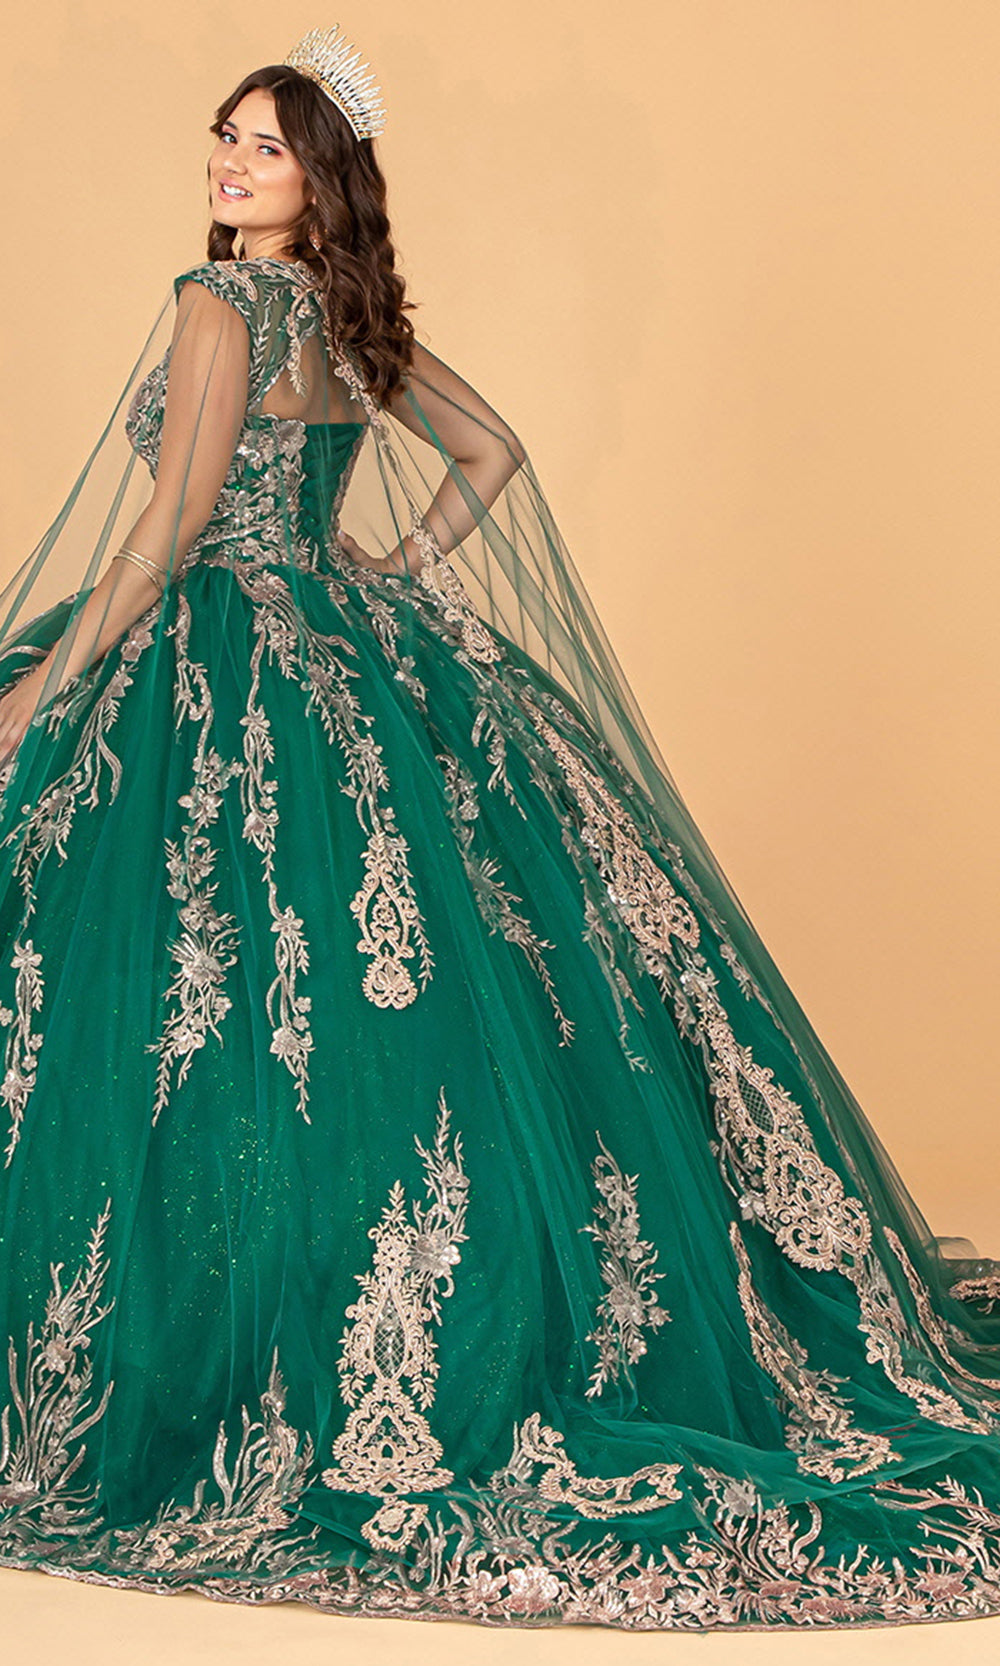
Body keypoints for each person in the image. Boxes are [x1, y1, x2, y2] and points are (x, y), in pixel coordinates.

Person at [0, 23, 999, 1635]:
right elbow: (492, 452)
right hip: (349, 659)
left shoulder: (216, 302)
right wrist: (385, 578)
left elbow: (171, 527)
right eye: (225, 136)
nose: (229, 165)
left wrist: (42, 692)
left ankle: (201, 1356)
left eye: (263, 147)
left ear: (318, 177)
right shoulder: (351, 317)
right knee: (395, 1026)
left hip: (216, 660)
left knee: (191, 1002)